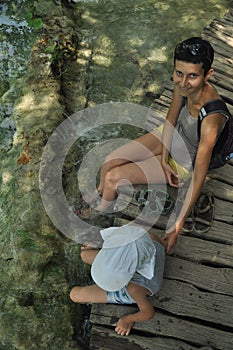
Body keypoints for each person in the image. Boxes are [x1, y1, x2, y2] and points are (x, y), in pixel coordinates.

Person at [80, 37, 230, 254]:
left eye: (193, 76)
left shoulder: (212, 116)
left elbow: (199, 173)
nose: (184, 81)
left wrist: (176, 228)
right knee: (109, 162)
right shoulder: (183, 85)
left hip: (186, 160)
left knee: (114, 177)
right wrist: (162, 157)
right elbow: (170, 120)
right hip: (172, 137)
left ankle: (102, 218)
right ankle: (103, 197)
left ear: (208, 75)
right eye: (179, 73)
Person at [70, 225, 166, 336]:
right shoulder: (146, 237)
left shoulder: (134, 289)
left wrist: (128, 319)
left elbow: (148, 313)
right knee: (84, 255)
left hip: (129, 289)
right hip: (143, 259)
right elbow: (162, 244)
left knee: (75, 294)